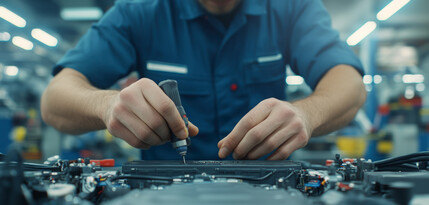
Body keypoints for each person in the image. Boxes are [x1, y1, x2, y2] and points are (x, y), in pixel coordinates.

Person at [41, 0, 366, 161]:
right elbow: (55, 101)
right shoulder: (138, 12)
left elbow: (348, 83)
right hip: (162, 203)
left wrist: (307, 114)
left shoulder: (291, 7)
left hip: (270, 195)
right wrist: (106, 104)